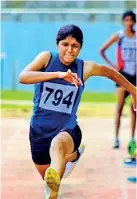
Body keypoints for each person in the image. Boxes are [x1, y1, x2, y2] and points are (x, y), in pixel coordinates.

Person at [19, 24, 136, 199]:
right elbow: (23, 77)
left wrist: (133, 90)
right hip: (38, 131)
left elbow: (111, 73)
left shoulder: (84, 68)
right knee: (51, 175)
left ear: (80, 47)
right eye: (65, 44)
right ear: (57, 44)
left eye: (75, 46)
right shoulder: (46, 58)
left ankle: (54, 188)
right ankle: (72, 158)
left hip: (67, 129)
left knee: (57, 147)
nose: (70, 50)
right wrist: (58, 75)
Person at [99, 10, 136, 149]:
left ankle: (132, 138)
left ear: (134, 21)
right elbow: (102, 50)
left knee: (134, 109)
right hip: (122, 75)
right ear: (123, 22)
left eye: (131, 20)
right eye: (126, 20)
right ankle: (116, 138)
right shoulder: (119, 36)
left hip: (134, 76)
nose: (129, 23)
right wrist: (113, 66)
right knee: (119, 107)